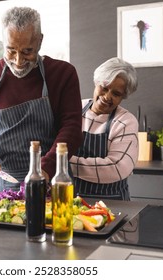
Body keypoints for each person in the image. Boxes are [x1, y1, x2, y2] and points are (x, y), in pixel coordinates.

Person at [0, 7, 82, 192]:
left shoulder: (63, 74)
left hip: (52, 181)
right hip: (4, 185)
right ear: (3, 42)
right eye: (11, 50)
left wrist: (46, 167)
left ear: (40, 41)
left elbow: (72, 129)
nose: (19, 61)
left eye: (27, 51)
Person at [69, 57, 139, 201]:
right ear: (96, 83)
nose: (107, 97)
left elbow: (117, 167)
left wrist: (63, 165)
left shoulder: (126, 121)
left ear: (123, 96)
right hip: (71, 201)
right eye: (104, 88)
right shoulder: (73, 108)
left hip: (111, 204)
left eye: (116, 94)